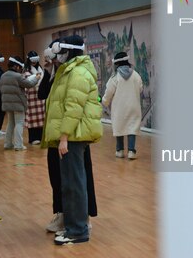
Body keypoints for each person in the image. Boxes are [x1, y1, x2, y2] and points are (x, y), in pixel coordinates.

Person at [43, 35, 102, 245]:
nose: (57, 56)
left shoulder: (77, 73)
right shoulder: (70, 71)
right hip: (71, 135)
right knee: (70, 183)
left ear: (69, 51)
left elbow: (73, 108)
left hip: (73, 136)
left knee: (74, 183)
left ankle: (77, 230)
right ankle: (74, 227)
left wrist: (64, 137)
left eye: (60, 52)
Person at [102, 51, 144, 159]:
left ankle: (119, 150)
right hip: (133, 107)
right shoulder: (136, 75)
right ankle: (131, 151)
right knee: (132, 127)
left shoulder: (115, 78)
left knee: (119, 127)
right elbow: (140, 88)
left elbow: (109, 92)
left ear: (116, 64)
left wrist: (104, 101)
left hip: (119, 109)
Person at [0, 56, 41, 151]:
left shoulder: (3, 75)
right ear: (16, 66)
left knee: (10, 123)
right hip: (18, 104)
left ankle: (8, 144)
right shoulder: (17, 76)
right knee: (19, 123)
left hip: (7, 104)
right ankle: (18, 145)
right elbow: (29, 84)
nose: (20, 69)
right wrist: (37, 78)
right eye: (19, 67)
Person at [23, 51, 45, 145]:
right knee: (32, 118)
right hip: (31, 97)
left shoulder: (41, 68)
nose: (34, 62)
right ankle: (32, 138)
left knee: (41, 117)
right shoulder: (26, 70)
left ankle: (41, 137)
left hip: (41, 96)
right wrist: (36, 77)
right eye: (32, 60)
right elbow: (26, 82)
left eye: (36, 60)